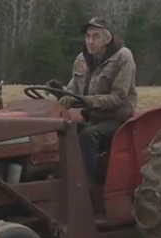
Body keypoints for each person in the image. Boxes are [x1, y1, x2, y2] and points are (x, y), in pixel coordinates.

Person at [46, 17, 137, 185]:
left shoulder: (123, 57)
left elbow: (118, 97)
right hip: (91, 118)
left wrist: (87, 101)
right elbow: (74, 90)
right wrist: (60, 92)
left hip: (117, 120)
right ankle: (57, 176)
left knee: (88, 135)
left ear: (108, 38)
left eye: (96, 36)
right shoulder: (82, 60)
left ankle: (82, 185)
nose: (90, 41)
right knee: (64, 130)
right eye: (87, 36)